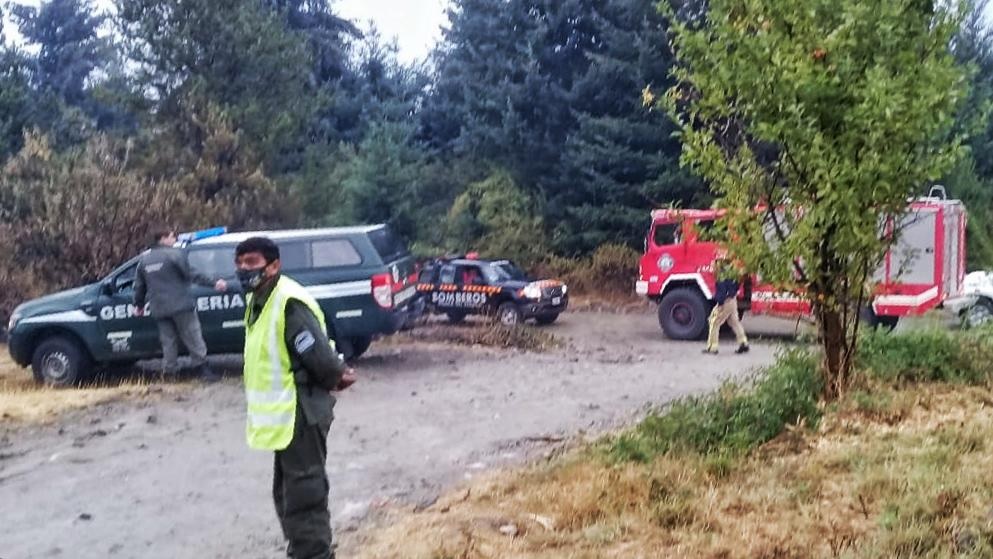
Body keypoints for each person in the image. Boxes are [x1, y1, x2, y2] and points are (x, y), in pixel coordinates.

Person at [235, 236, 356, 559]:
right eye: (240, 263)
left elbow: (318, 355)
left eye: (251, 263)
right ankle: (302, 550)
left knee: (305, 492)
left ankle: (314, 553)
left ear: (273, 265)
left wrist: (337, 375)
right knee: (288, 492)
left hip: (301, 411)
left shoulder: (288, 303)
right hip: (285, 415)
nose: (243, 269)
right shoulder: (259, 300)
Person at [134, 226, 227, 382]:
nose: (174, 239)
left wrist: (139, 305)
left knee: (168, 341)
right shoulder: (174, 255)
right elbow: (191, 274)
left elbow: (139, 286)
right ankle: (202, 370)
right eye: (171, 237)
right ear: (162, 239)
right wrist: (214, 283)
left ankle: (170, 374)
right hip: (181, 305)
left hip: (159, 308)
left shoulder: (144, 260)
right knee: (192, 336)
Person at [703, 258, 750, 355]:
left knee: (714, 322)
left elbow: (722, 292)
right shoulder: (733, 275)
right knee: (734, 322)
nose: (712, 267)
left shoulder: (721, 277)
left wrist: (720, 305)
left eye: (714, 265)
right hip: (733, 300)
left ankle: (712, 347)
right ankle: (743, 343)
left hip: (725, 302)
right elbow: (737, 286)